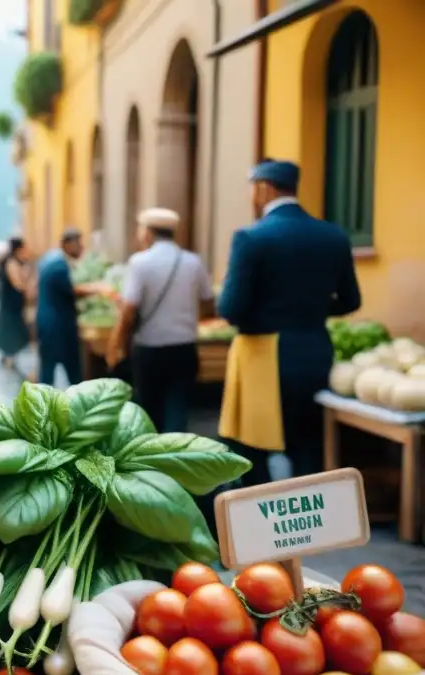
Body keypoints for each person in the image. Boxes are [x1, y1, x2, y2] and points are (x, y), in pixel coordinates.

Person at [218, 159, 361, 486]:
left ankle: (265, 528)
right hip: (314, 352)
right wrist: (308, 309)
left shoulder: (250, 238)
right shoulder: (333, 236)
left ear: (264, 188)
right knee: (307, 446)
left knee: (250, 450)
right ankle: (311, 529)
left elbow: (231, 309)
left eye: (252, 190)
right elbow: (351, 300)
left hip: (262, 358)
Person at [106, 208, 215, 432]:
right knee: (179, 408)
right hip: (184, 348)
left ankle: (153, 458)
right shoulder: (193, 262)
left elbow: (128, 310)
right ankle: (175, 457)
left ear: (147, 233)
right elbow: (208, 301)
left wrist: (116, 345)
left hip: (149, 349)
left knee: (149, 411)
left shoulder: (140, 263)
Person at [35, 227, 99, 387]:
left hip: (48, 323)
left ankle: (44, 405)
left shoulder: (50, 259)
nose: (82, 247)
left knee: (47, 370)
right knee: (71, 371)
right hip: (58, 326)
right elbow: (72, 290)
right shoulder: (58, 266)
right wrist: (96, 289)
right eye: (79, 243)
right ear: (68, 245)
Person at [0, 237, 34, 372]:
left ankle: (9, 356)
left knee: (13, 329)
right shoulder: (11, 263)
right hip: (11, 304)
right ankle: (9, 357)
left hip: (13, 304)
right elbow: (17, 284)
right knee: (11, 329)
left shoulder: (15, 262)